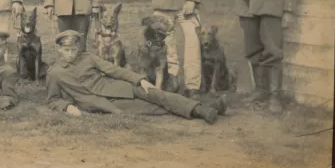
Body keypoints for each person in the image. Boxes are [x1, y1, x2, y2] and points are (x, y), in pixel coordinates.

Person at [45, 30, 226, 124]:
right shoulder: (55, 72)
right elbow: (53, 99)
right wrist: (67, 107)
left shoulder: (88, 57)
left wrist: (140, 80)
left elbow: (115, 71)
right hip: (104, 102)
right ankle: (204, 110)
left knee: (157, 94)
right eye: (66, 50)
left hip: (118, 87)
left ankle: (204, 110)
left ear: (79, 48)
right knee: (149, 107)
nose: (70, 54)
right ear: (59, 49)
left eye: (73, 49)